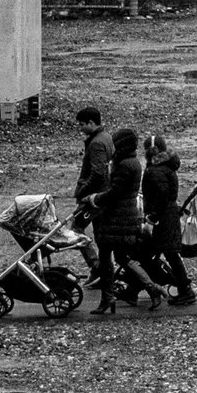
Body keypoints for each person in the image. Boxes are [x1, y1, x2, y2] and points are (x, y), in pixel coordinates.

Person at [91, 128, 158, 314]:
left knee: (106, 258)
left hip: (115, 218)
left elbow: (115, 193)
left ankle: (107, 297)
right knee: (122, 257)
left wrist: (95, 198)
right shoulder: (133, 162)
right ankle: (152, 289)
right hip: (126, 217)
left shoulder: (124, 165)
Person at [140, 135, 197, 306]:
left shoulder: (155, 170)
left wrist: (151, 219)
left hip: (162, 218)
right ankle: (181, 286)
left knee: (163, 253)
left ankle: (183, 288)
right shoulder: (167, 167)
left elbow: (160, 197)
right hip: (169, 215)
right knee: (169, 253)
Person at [70, 105, 111, 284]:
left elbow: (98, 173)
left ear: (91, 123)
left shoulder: (96, 144)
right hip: (103, 196)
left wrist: (82, 190)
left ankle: (97, 267)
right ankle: (105, 270)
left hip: (94, 197)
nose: (80, 128)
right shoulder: (107, 137)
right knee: (101, 234)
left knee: (76, 229)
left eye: (82, 125)